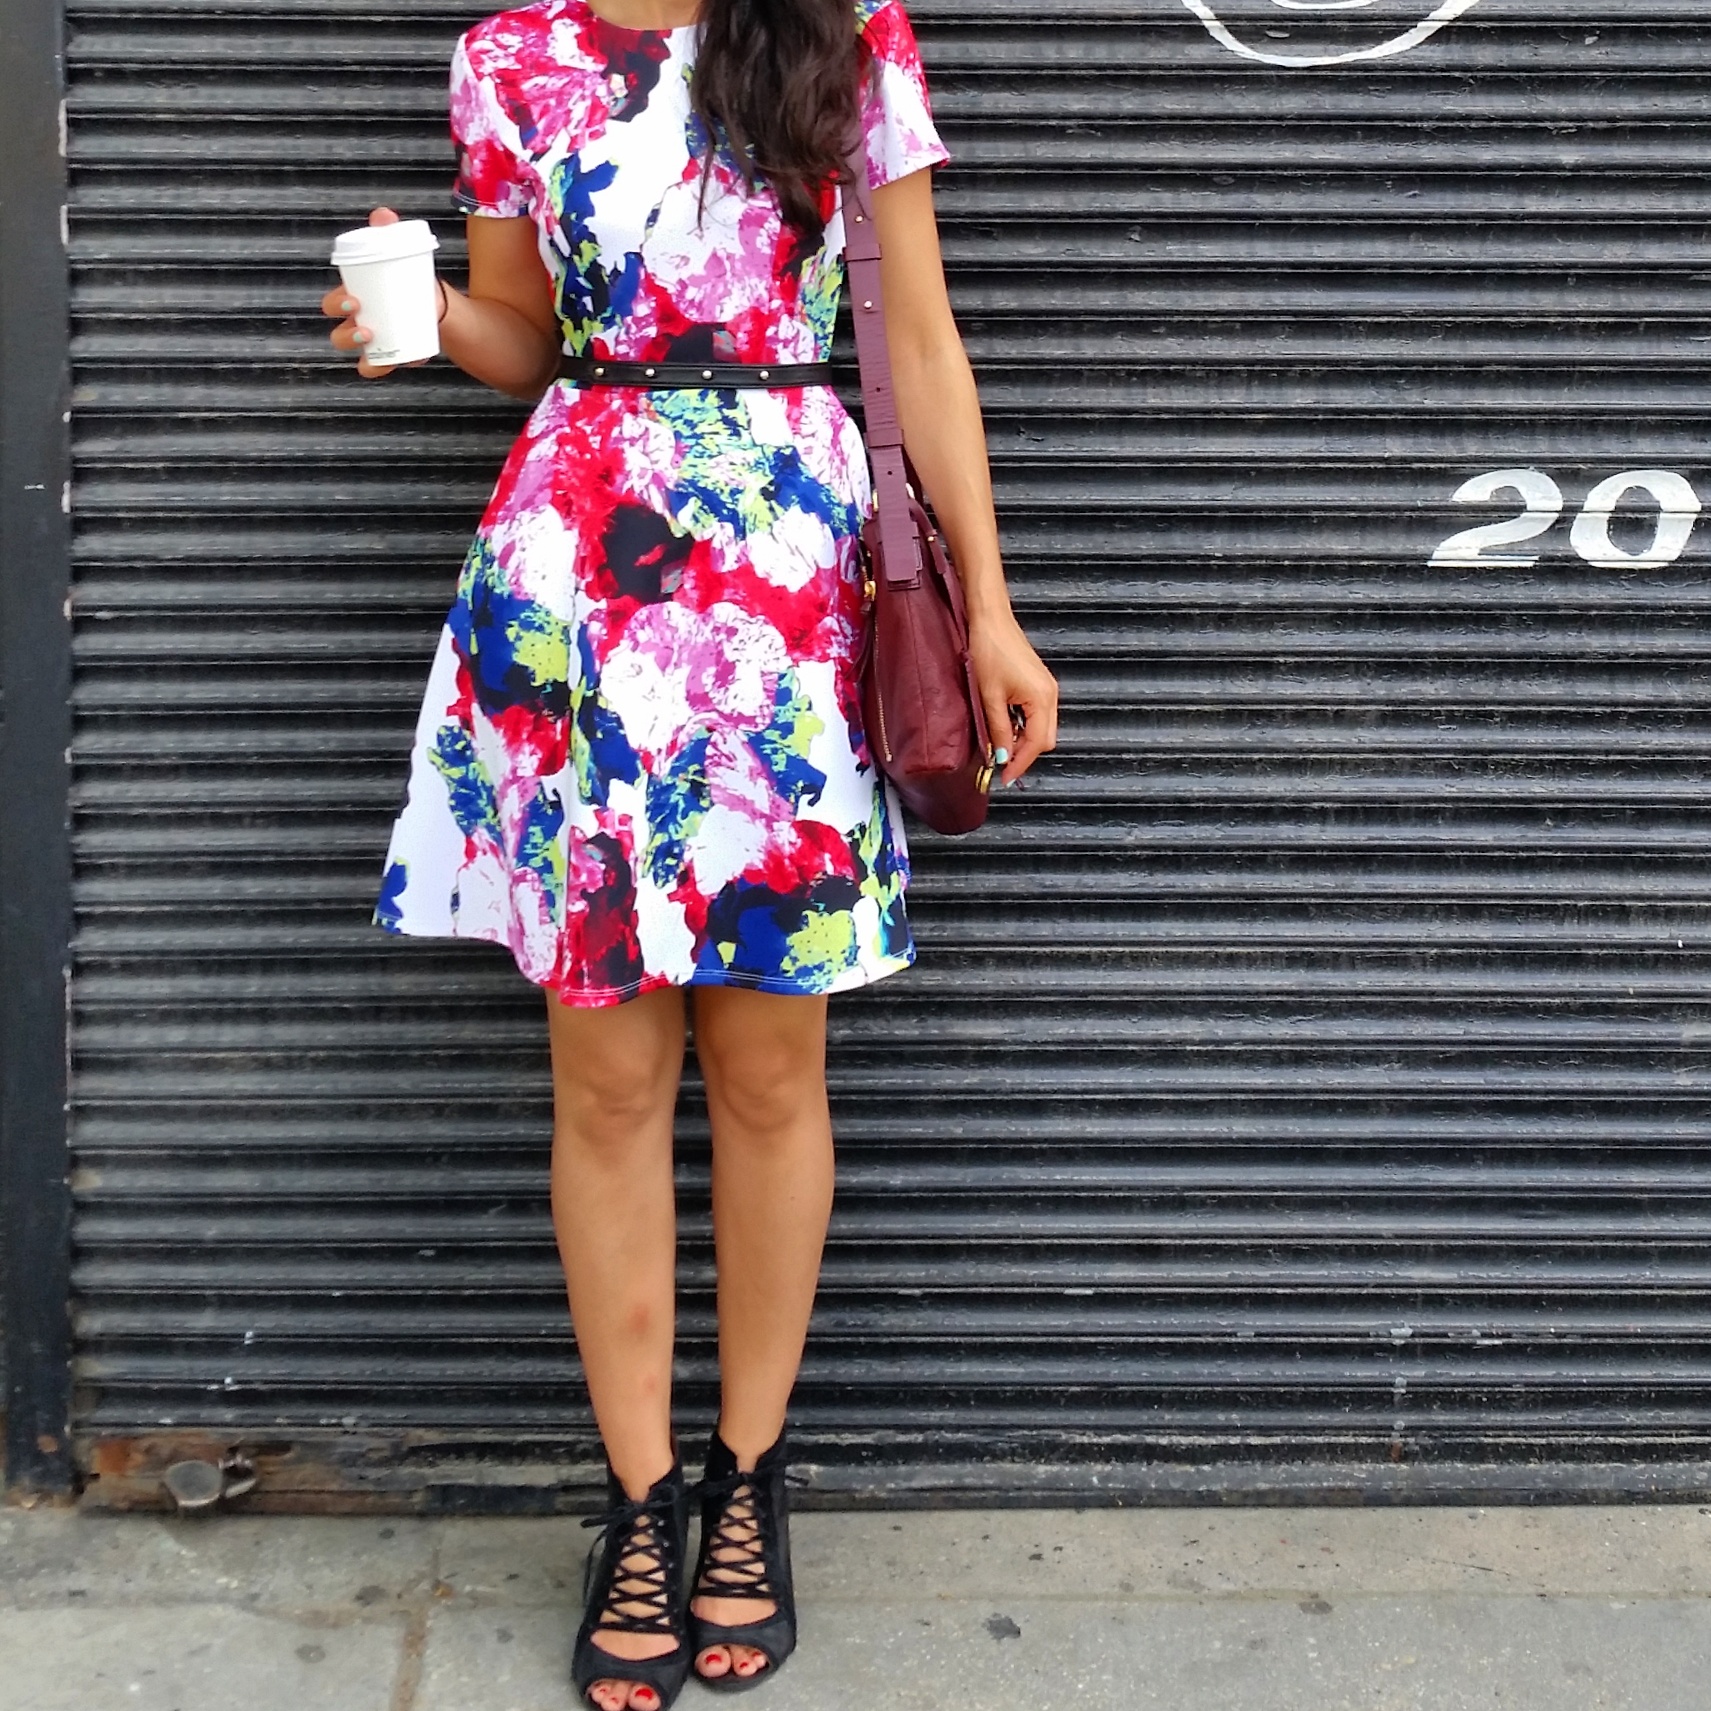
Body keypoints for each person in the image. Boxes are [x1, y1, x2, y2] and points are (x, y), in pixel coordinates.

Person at [322, 1, 1056, 1705]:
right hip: (579, 577)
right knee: (606, 1081)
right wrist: (429, 315)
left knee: (772, 1072)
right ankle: (639, 1501)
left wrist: (996, 609)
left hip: (793, 588)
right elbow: (529, 330)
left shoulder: (848, 28)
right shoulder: (510, 52)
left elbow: (925, 338)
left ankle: (747, 1485)